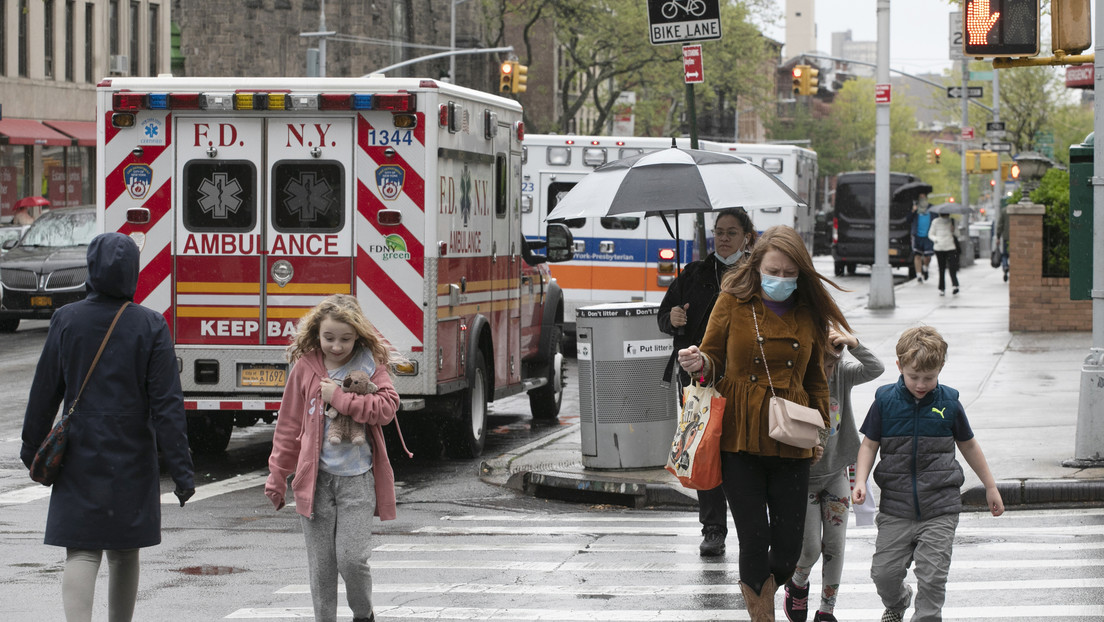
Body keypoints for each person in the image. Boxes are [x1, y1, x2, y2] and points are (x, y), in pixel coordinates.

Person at [677, 225, 851, 621]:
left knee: (789, 551)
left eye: (790, 273)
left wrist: (821, 430)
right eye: (774, 271)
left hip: (791, 436)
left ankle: (772, 589)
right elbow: (712, 359)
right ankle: (762, 616)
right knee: (753, 540)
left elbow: (815, 379)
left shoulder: (808, 311)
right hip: (739, 436)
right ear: (756, 266)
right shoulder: (732, 301)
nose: (781, 280)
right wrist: (700, 362)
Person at [20, 232, 195, 622]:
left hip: (78, 452)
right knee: (124, 551)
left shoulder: (67, 319)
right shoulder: (150, 325)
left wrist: (32, 450)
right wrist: (182, 472)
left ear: (91, 268)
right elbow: (167, 406)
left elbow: (44, 391)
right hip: (131, 455)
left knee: (81, 550)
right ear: (133, 272)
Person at [265, 294, 407, 622]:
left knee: (351, 559)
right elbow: (288, 426)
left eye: (345, 338)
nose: (337, 346)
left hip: (357, 481)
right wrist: (277, 477)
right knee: (322, 567)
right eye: (329, 338)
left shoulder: (370, 365)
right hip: (315, 483)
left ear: (358, 335)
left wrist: (340, 398)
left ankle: (363, 614)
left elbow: (387, 409)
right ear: (316, 333)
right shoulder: (305, 368)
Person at [853, 326, 1004, 622]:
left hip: (940, 507)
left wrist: (990, 486)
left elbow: (969, 445)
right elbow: (869, 444)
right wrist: (860, 480)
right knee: (884, 574)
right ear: (899, 367)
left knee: (933, 577)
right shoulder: (885, 401)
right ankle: (898, 601)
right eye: (914, 377)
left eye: (929, 377)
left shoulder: (949, 402)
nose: (921, 385)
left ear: (941, 369)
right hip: (895, 507)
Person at [658, 207, 757, 558]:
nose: (724, 238)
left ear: (747, 236)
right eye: (719, 232)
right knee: (705, 448)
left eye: (732, 232)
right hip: (698, 378)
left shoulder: (757, 273)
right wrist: (672, 318)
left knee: (742, 452)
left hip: (744, 377)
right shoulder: (695, 272)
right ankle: (713, 528)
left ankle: (753, 526)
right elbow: (664, 315)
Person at [784, 327, 884, 622]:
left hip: (836, 473)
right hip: (804, 479)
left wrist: (854, 343)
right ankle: (797, 583)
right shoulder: (795, 381)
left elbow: (875, 368)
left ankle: (826, 610)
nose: (827, 372)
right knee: (811, 548)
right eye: (822, 365)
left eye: (832, 364)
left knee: (836, 546)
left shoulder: (842, 374)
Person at [928, 212, 959, 296]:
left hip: (950, 247)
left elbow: (957, 234)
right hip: (939, 248)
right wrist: (936, 239)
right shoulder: (935, 222)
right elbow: (930, 234)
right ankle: (942, 288)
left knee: (951, 267)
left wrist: (953, 230)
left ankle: (954, 285)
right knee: (942, 268)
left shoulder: (952, 221)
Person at [907, 194, 934, 282]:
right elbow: (908, 220)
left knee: (928, 256)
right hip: (917, 236)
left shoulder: (932, 209)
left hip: (928, 236)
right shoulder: (915, 209)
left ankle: (925, 268)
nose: (922, 200)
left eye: (924, 198)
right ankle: (918, 275)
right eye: (921, 199)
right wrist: (913, 211)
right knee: (917, 255)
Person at [995, 205, 1010, 282]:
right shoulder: (1016, 209)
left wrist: (998, 237)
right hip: (1015, 237)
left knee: (1005, 254)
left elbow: (1000, 225)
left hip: (1006, 237)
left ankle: (1005, 266)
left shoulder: (1004, 211)